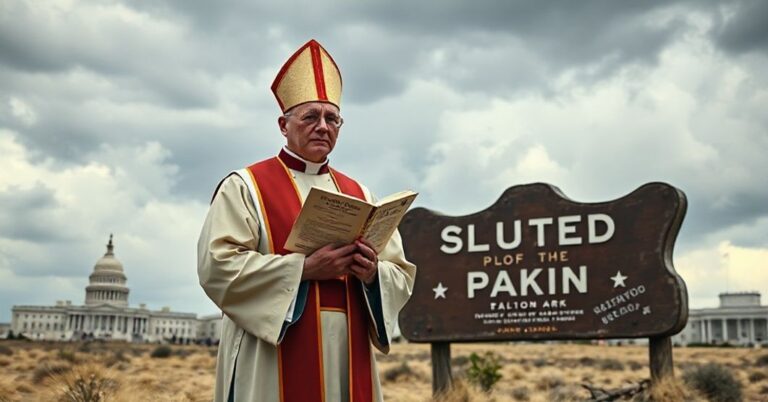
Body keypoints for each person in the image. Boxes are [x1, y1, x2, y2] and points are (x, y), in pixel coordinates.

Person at [197, 39, 416, 402]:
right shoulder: (245, 186)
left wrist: (373, 273)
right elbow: (217, 267)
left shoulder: (361, 193)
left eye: (332, 118)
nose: (322, 126)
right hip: (273, 353)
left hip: (348, 350)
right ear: (283, 125)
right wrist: (303, 269)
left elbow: (400, 273)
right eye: (310, 116)